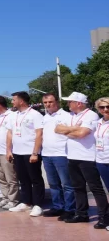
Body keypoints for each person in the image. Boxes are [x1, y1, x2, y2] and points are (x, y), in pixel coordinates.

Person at [55, 92, 107, 229]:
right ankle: (81, 213)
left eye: (70, 101)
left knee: (96, 189)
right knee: (78, 187)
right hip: (72, 156)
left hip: (88, 158)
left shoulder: (91, 115)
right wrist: (74, 129)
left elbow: (82, 133)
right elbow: (57, 129)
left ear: (79, 103)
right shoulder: (71, 116)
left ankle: (104, 216)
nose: (68, 104)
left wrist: (69, 131)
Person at [5, 91, 45, 217]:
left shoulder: (35, 114)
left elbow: (39, 134)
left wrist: (35, 152)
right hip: (17, 152)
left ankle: (38, 205)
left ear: (21, 101)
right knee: (23, 178)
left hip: (30, 152)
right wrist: (8, 150)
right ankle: (26, 202)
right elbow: (10, 133)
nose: (12, 102)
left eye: (14, 100)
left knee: (35, 178)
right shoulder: (13, 115)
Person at [40, 93, 76, 220]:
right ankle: (57, 206)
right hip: (47, 154)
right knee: (53, 183)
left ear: (57, 102)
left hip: (61, 154)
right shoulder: (44, 118)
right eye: (45, 103)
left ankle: (70, 209)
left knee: (67, 184)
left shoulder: (66, 116)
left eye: (50, 102)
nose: (48, 105)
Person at [0, 96, 20, 210]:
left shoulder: (12, 115)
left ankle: (14, 199)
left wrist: (9, 150)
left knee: (10, 177)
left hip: (5, 151)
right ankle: (6, 197)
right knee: (0, 177)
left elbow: (12, 133)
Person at [94, 97, 109, 194]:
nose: (105, 109)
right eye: (102, 107)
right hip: (101, 160)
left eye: (108, 106)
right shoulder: (98, 123)